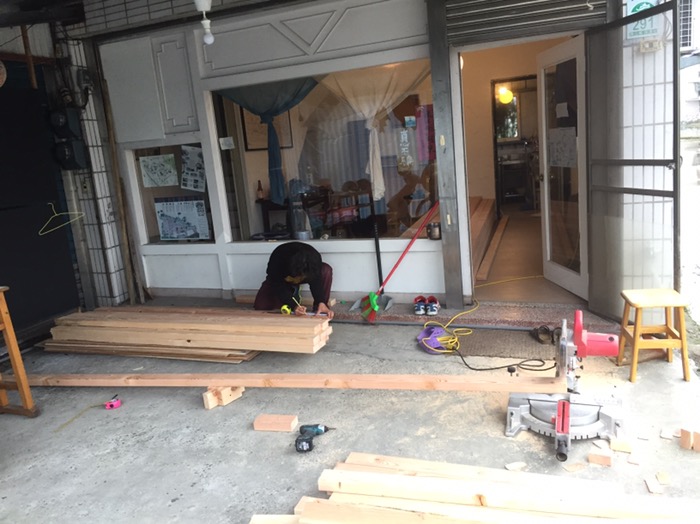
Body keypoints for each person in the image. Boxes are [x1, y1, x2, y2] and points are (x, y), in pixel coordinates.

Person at [253, 241, 334, 319]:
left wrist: (321, 301)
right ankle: (292, 291)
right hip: (282, 280)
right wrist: (293, 306)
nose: (297, 280)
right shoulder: (278, 258)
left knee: (326, 270)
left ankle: (319, 309)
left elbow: (316, 281)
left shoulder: (314, 258)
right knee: (261, 306)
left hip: (299, 276)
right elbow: (276, 283)